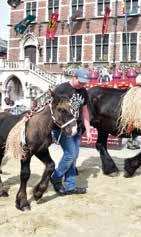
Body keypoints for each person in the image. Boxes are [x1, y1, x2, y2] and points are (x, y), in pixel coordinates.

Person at [50, 67, 92, 195]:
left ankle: (70, 186)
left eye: (85, 82)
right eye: (81, 82)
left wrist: (88, 130)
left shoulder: (84, 92)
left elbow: (85, 111)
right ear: (74, 77)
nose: (83, 84)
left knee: (73, 158)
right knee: (70, 154)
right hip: (63, 129)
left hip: (77, 128)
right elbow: (51, 108)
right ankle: (56, 177)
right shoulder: (61, 89)